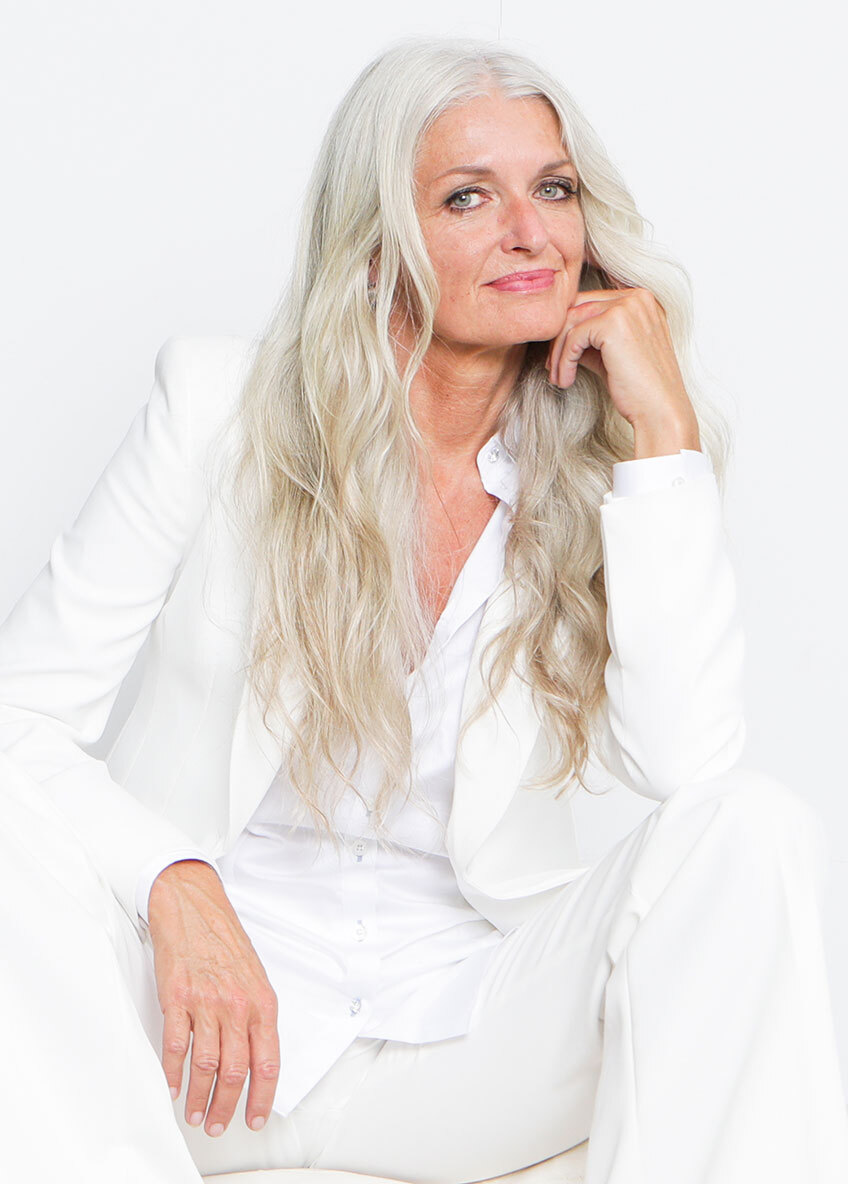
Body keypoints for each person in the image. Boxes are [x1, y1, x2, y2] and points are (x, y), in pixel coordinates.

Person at [1, 34, 847, 1184]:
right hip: (201, 1047)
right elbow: (17, 719)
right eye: (467, 196)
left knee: (751, 827)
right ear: (375, 241)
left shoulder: (599, 474)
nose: (529, 230)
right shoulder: (217, 410)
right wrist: (170, 877)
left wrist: (662, 436)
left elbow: (686, 765)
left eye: (553, 188)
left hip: (459, 1042)